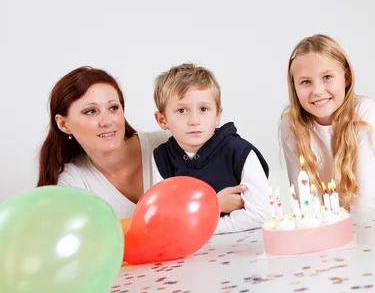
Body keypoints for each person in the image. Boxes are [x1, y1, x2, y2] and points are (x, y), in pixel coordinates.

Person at [37, 66, 247, 219]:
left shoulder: (173, 144)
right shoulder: (72, 184)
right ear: (63, 124)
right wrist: (209, 205)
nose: (107, 121)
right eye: (90, 111)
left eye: (113, 108)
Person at [151, 63, 271, 234]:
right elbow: (161, 219)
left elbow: (260, 214)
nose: (194, 120)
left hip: (243, 251)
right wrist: (213, 203)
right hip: (187, 254)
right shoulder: (162, 158)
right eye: (182, 110)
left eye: (203, 109)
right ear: (162, 120)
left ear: (217, 116)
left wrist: (196, 226)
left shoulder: (238, 152)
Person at [279, 34, 375, 213]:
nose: (317, 91)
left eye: (327, 77)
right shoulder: (291, 125)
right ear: (294, 87)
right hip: (326, 228)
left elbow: (366, 200)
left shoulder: (364, 111)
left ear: (345, 77)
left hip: (370, 222)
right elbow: (304, 200)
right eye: (305, 82)